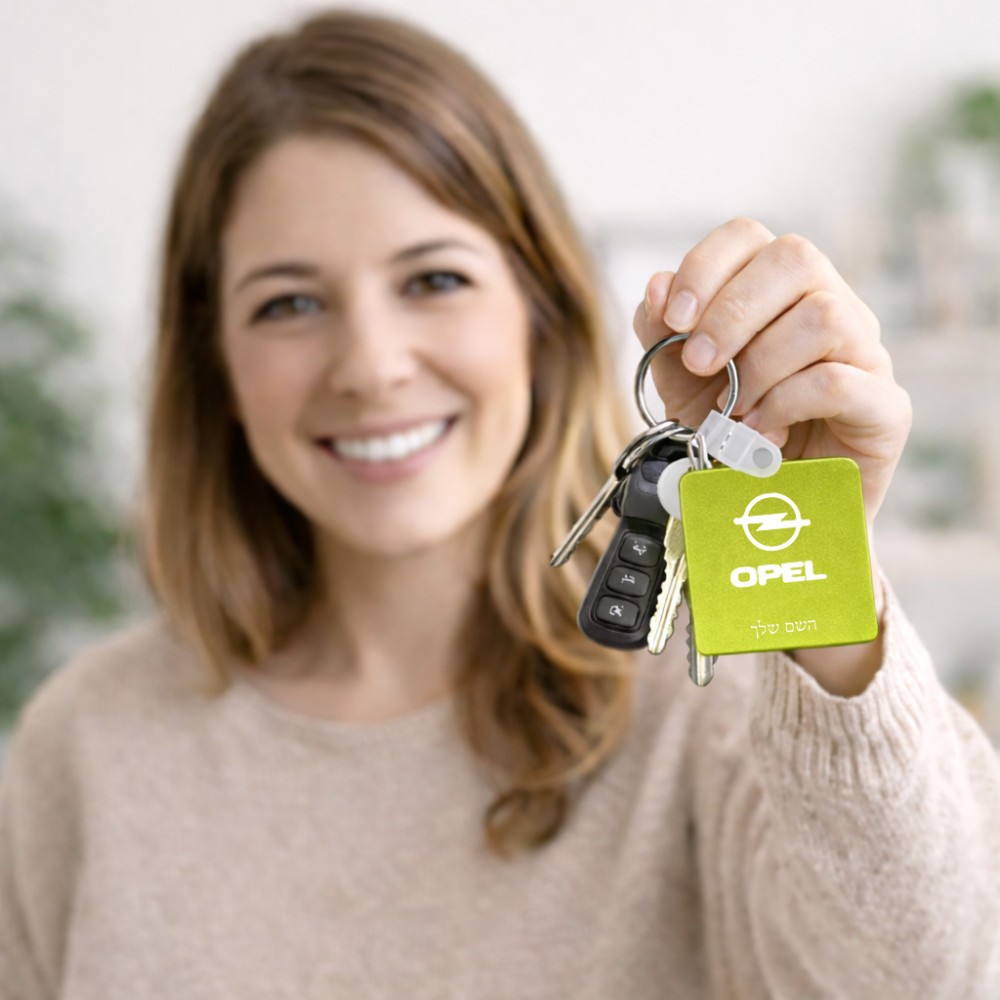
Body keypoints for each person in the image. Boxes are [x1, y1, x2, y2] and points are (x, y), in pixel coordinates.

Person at [1, 8, 998, 998]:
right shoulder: (83, 746)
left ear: (540, 315)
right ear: (213, 358)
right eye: (289, 303)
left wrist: (810, 555)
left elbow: (933, 981)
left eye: (433, 279)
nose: (371, 365)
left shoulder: (716, 709)